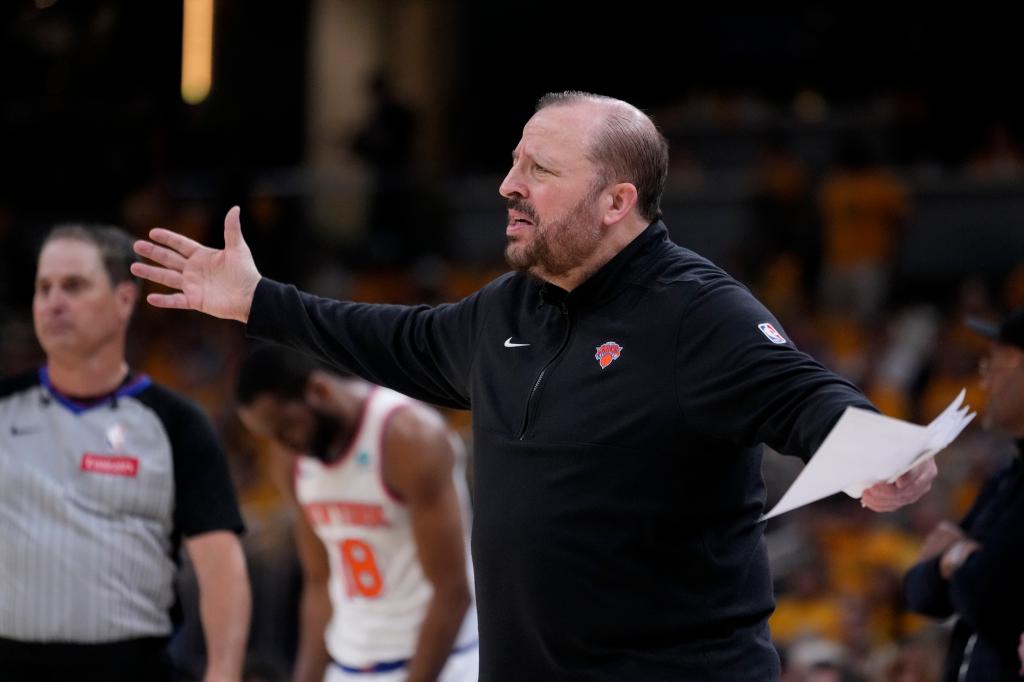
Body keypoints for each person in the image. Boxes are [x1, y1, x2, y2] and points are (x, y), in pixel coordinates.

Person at [131, 91, 937, 681]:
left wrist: (882, 448)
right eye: (515, 161)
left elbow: (803, 393)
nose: (508, 185)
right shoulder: (506, 309)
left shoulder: (698, 312)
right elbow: (393, 338)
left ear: (617, 201)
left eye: (539, 170)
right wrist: (256, 302)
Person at [0, 224, 251, 682]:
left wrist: (224, 673)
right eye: (43, 288)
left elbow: (222, 569)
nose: (53, 301)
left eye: (74, 286)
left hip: (133, 667)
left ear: (123, 300)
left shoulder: (177, 423)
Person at [234, 344, 478, 682]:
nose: (281, 443)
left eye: (285, 426)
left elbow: (452, 592)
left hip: (442, 662)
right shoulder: (291, 457)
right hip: (350, 663)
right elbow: (320, 583)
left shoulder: (409, 437)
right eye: (269, 435)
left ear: (318, 390)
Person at [903, 307, 1024, 681]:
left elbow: (991, 599)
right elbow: (921, 592)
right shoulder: (1008, 475)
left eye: (994, 365)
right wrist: (956, 561)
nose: (984, 382)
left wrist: (952, 555)